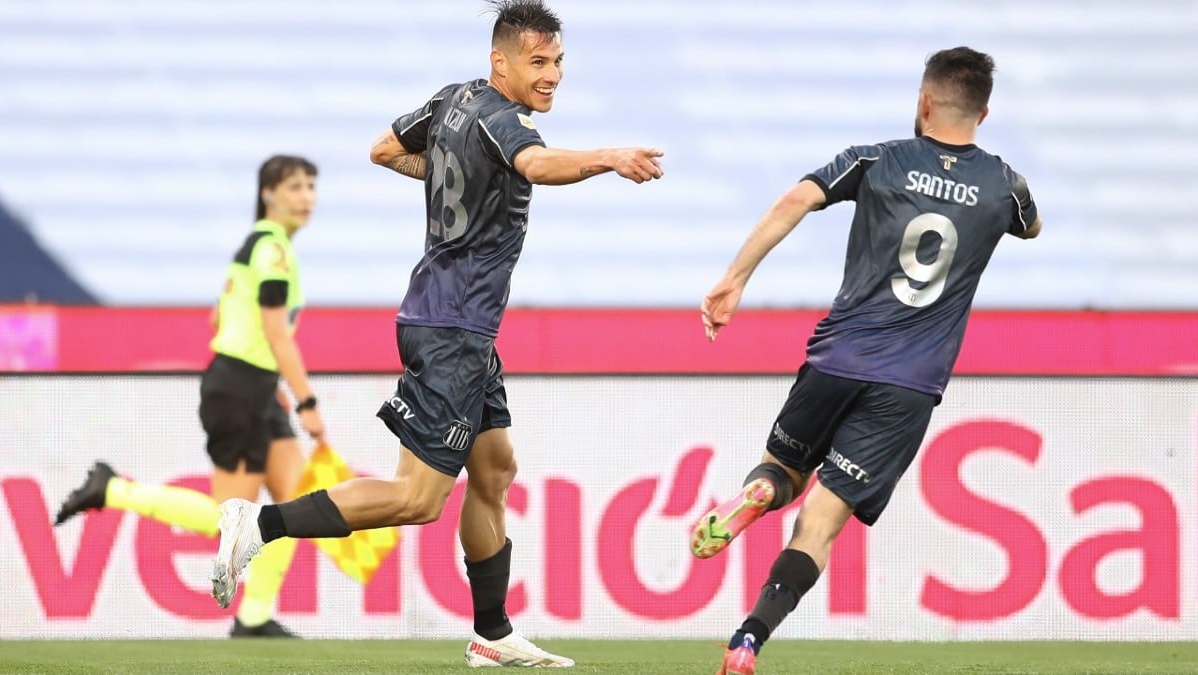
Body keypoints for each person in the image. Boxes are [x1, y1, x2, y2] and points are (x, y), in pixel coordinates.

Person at [207, 0, 663, 667]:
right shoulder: (508, 121)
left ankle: (492, 632)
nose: (553, 75)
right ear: (499, 61)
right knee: (417, 498)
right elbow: (535, 165)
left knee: (495, 466)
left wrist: (453, 172)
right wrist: (609, 156)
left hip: (463, 325)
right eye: (538, 62)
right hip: (451, 326)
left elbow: (384, 149)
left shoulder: (454, 100)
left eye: (559, 61)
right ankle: (258, 524)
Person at [690, 47, 1041, 675]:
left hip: (839, 356)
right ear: (984, 113)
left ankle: (757, 494)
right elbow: (1032, 226)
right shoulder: (1003, 187)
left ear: (924, 101)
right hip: (909, 385)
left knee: (784, 471)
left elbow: (795, 200)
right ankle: (748, 640)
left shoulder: (874, 160)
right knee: (821, 525)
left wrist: (734, 280)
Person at [55, 154, 326, 639]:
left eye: (311, 186)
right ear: (268, 194)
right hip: (240, 389)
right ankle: (112, 489)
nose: (307, 197)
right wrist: (306, 401)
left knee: (294, 499)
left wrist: (271, 387)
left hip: (254, 387)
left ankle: (254, 616)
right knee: (230, 522)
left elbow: (218, 320)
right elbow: (275, 334)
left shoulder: (259, 247)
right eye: (295, 187)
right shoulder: (272, 252)